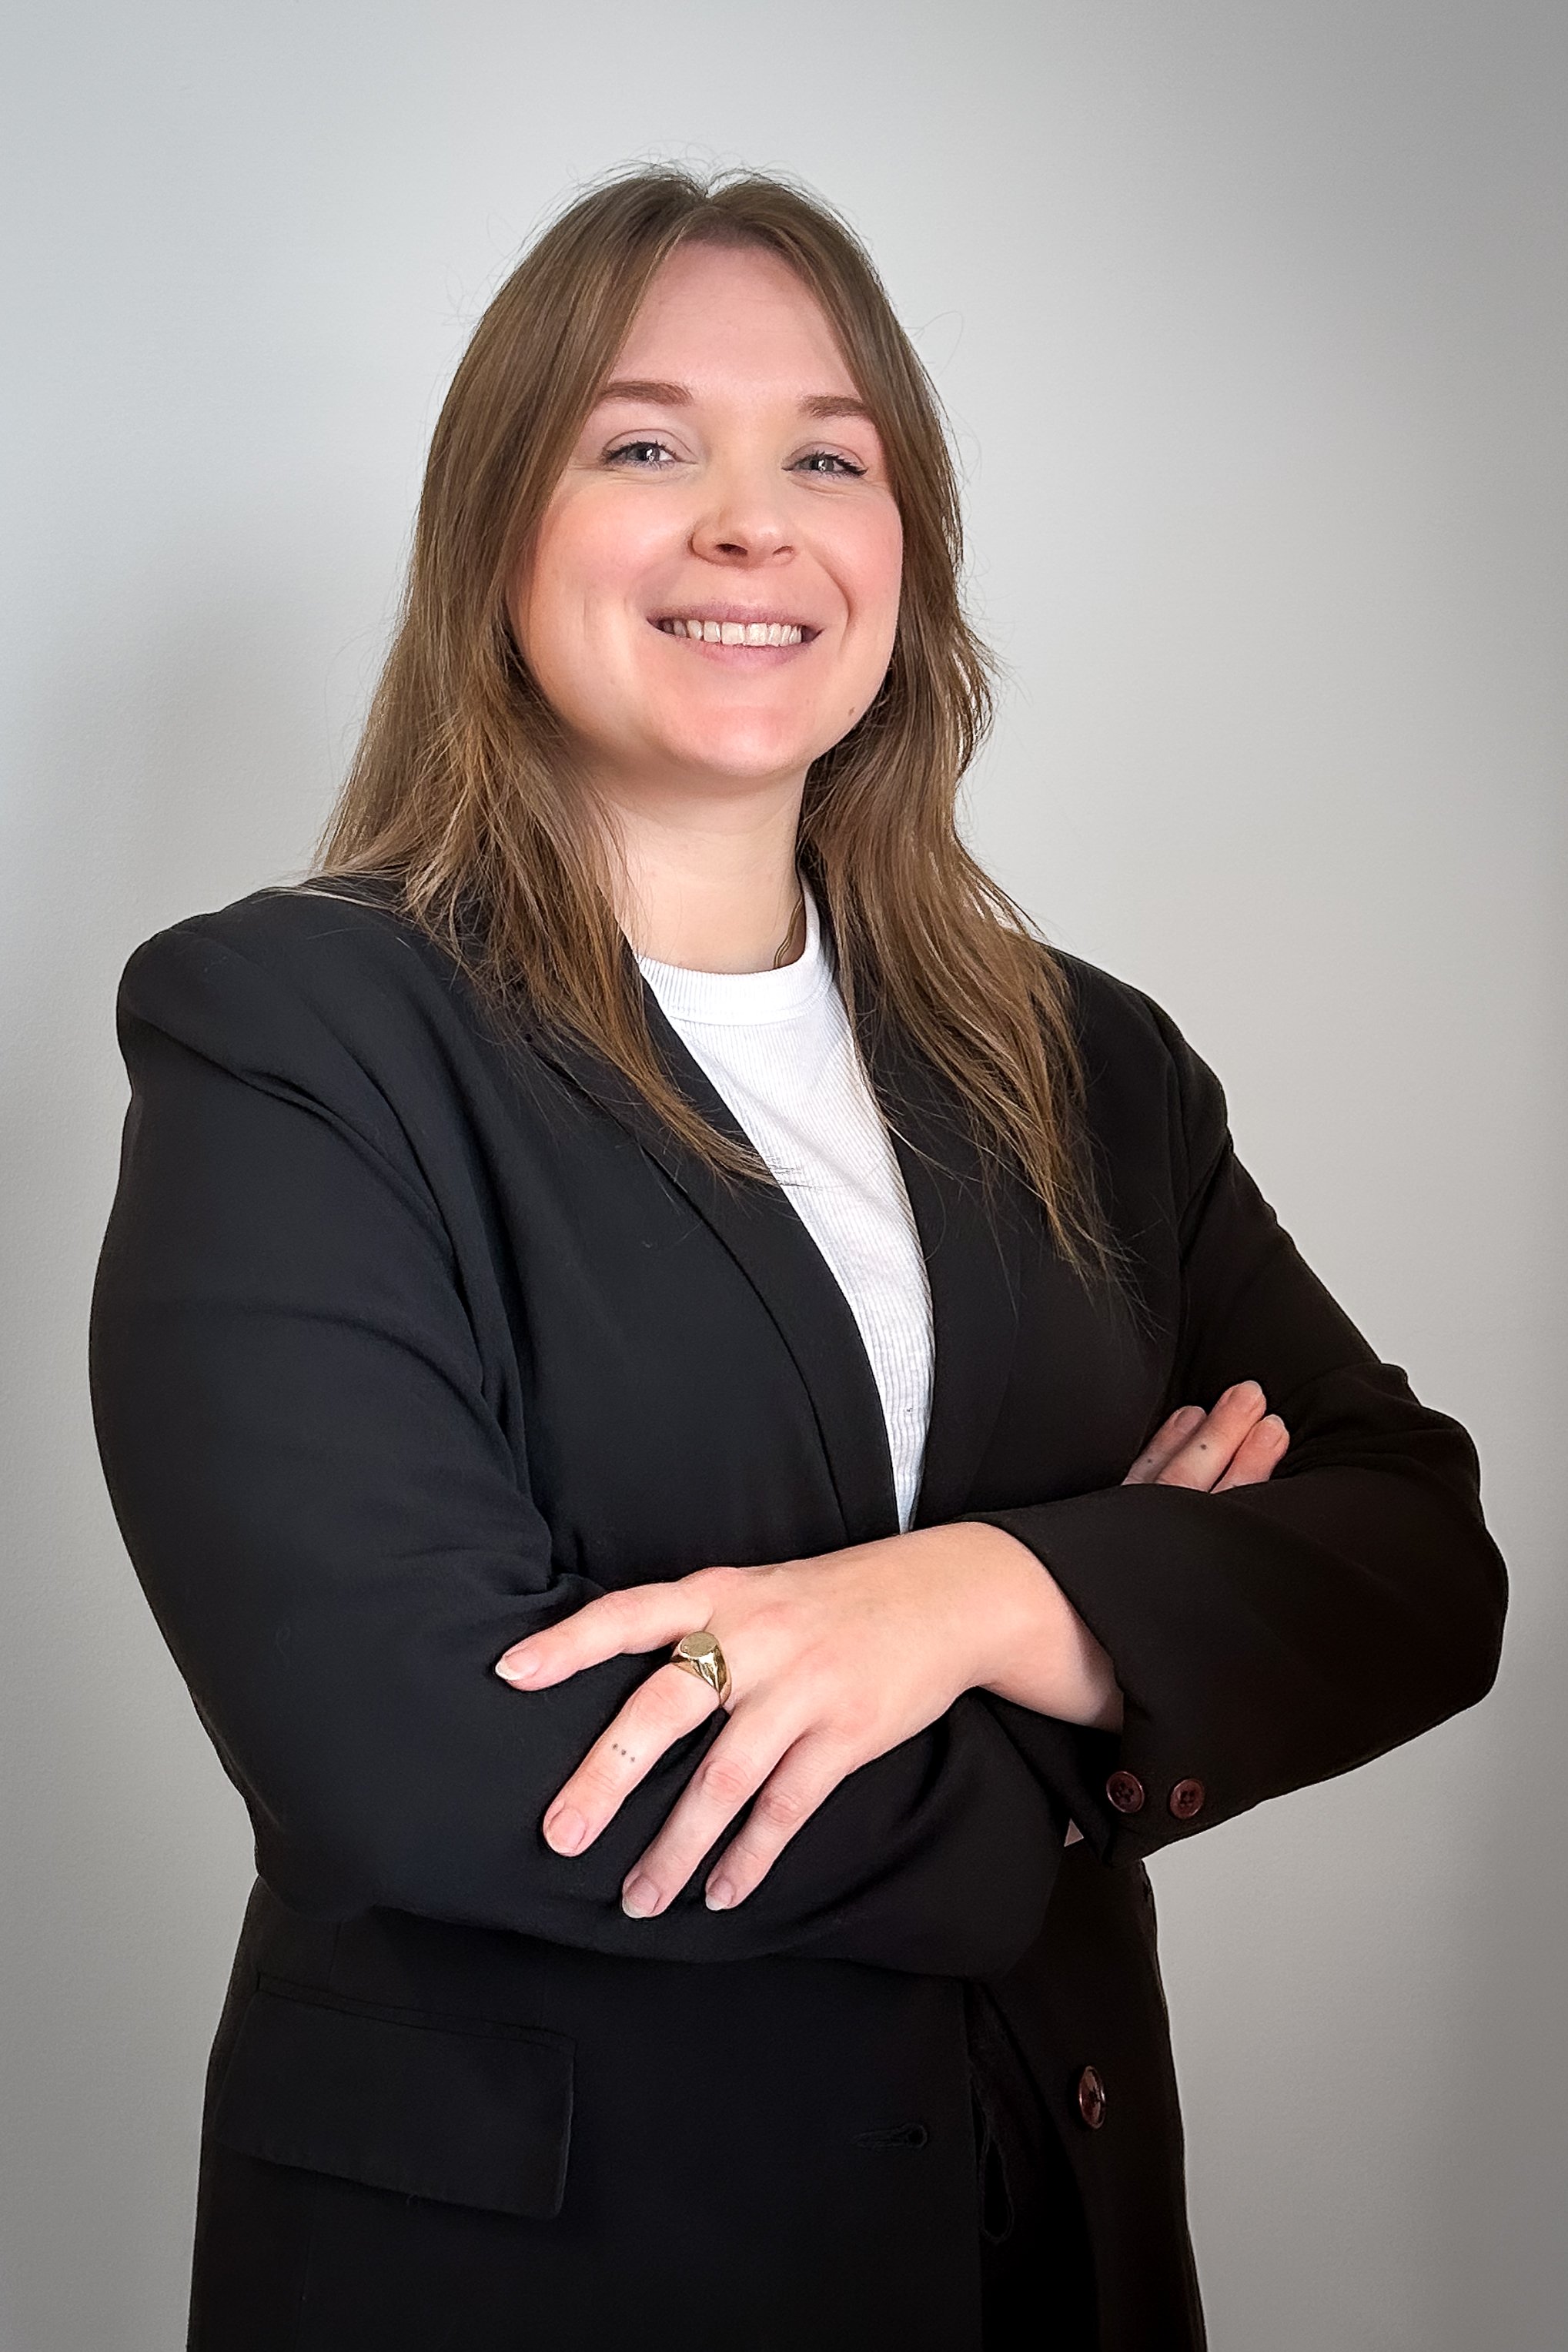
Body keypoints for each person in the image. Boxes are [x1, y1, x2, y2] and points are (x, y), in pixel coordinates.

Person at [87, 165, 1507, 2352]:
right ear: (496, 533)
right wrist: (1120, 1672)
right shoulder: (299, 1035)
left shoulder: (1089, 1064)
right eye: (646, 445)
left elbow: (1416, 1561)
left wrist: (986, 1597)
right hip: (533, 2283)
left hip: (1050, 2243)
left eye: (825, 459)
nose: (750, 524)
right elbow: (416, 1749)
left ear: (901, 557)